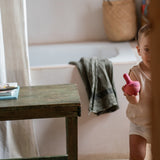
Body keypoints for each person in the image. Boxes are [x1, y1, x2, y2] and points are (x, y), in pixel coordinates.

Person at [122, 24, 152, 160]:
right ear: (139, 51)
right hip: (139, 125)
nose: (152, 55)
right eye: (147, 50)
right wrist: (131, 94)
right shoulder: (135, 73)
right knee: (136, 156)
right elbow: (135, 101)